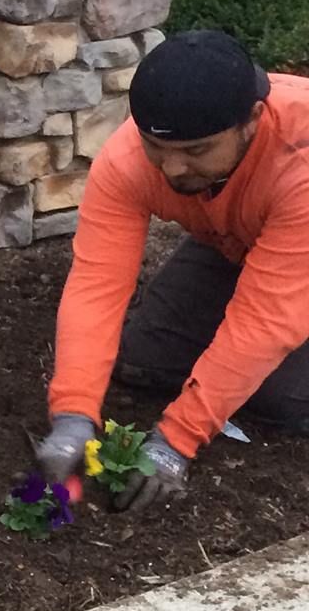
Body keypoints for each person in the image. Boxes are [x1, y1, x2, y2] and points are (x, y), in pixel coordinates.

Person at [35, 29, 309, 512]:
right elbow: (96, 286)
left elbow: (266, 319)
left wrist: (176, 439)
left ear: (252, 119)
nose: (172, 170)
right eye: (155, 147)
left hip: (294, 236)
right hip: (244, 240)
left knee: (283, 398)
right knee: (143, 359)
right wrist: (73, 415)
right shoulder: (129, 161)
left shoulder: (298, 160)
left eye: (198, 151)